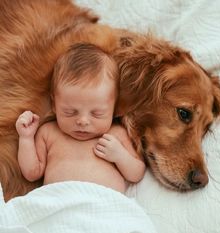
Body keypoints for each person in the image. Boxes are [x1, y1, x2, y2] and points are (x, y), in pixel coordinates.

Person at [15, 43, 145, 193]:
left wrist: (120, 156)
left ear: (114, 109)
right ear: (54, 105)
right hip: (57, 204)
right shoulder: (48, 133)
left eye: (97, 113)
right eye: (70, 112)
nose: (82, 121)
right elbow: (32, 173)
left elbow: (137, 174)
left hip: (105, 205)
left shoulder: (116, 134)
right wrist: (26, 138)